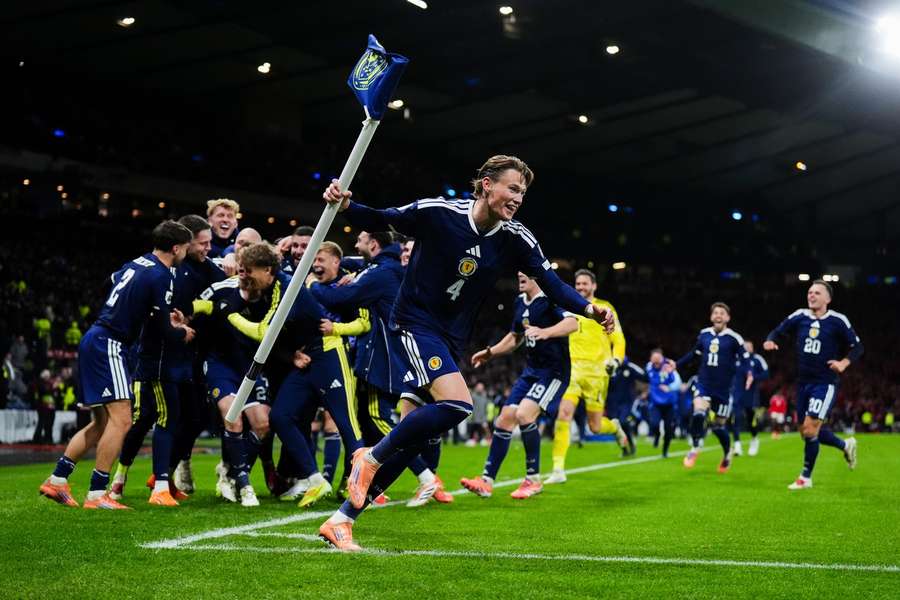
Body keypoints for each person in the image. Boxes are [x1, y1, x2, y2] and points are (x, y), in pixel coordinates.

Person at [317, 155, 614, 551]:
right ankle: (369, 458)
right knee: (459, 405)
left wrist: (590, 310)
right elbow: (386, 218)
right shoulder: (439, 212)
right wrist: (347, 205)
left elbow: (553, 284)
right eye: (512, 188)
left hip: (451, 339)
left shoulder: (516, 238)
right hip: (414, 323)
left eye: (523, 193)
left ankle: (341, 521)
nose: (518, 198)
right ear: (487, 184)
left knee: (412, 441)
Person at [39, 221, 194, 509]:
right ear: (176, 248)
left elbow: (113, 281)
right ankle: (98, 493)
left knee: (101, 422)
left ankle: (57, 480)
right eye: (186, 248)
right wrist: (181, 331)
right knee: (122, 420)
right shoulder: (162, 275)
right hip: (110, 343)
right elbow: (164, 330)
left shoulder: (136, 263)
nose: (186, 253)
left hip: (95, 338)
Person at [308, 232, 451, 508]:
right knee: (373, 419)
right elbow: (354, 262)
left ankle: (427, 476)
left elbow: (341, 299)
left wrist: (314, 283)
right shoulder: (382, 269)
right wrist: (349, 270)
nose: (356, 244)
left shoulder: (382, 273)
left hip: (387, 357)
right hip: (388, 354)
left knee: (381, 417)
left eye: (361, 240)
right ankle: (365, 483)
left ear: (373, 244)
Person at [110, 215, 225, 501]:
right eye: (202, 243)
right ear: (182, 245)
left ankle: (163, 477)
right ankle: (123, 478)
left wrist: (192, 312)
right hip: (158, 353)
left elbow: (226, 292)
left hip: (187, 356)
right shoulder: (161, 269)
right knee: (149, 417)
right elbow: (121, 281)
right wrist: (166, 321)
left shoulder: (206, 269)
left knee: (192, 418)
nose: (208, 248)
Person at [460, 272, 578, 499]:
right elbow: (515, 337)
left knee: (524, 414)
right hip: (531, 372)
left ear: (536, 275)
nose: (519, 274)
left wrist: (545, 332)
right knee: (504, 418)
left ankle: (533, 480)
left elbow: (573, 323)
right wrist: (490, 353)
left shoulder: (551, 297)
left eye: (525, 271)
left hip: (553, 372)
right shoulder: (520, 302)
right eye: (519, 272)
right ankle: (486, 482)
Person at [763, 280, 862, 490]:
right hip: (802, 384)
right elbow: (777, 331)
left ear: (828, 299)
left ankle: (805, 477)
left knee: (810, 430)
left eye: (817, 293)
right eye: (810, 292)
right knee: (806, 432)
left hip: (824, 383)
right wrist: (770, 340)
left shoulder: (837, 320)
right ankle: (845, 445)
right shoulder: (800, 316)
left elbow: (858, 346)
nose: (811, 295)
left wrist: (843, 363)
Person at [547, 269, 627, 484]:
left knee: (596, 427)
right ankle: (558, 469)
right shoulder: (569, 307)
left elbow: (618, 339)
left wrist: (616, 361)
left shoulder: (606, 308)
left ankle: (615, 427)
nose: (581, 287)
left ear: (594, 286)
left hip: (597, 374)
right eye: (578, 284)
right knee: (564, 414)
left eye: (585, 283)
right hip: (573, 370)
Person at [674, 302, 752, 473]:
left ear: (728, 318)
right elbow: (693, 354)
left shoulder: (734, 338)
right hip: (704, 384)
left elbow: (745, 359)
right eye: (715, 313)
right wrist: (676, 364)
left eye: (722, 313)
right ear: (711, 317)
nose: (718, 315)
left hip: (723, 389)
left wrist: (749, 374)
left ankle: (727, 453)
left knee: (718, 427)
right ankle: (695, 447)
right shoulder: (704, 335)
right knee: (698, 413)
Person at [729, 341, 769, 457]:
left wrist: (753, 377)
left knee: (750, 419)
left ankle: (754, 438)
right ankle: (737, 445)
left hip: (751, 395)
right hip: (736, 394)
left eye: (749, 346)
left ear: (752, 348)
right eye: (744, 346)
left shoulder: (757, 359)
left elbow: (766, 373)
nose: (746, 348)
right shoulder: (736, 359)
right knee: (735, 417)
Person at [606, 356, 647, 456]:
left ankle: (631, 442)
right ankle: (624, 449)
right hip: (612, 403)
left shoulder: (629, 368)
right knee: (615, 427)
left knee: (623, 422)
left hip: (626, 402)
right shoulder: (609, 367)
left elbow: (644, 377)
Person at [646, 349, 681, 458]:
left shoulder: (669, 366)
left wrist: (669, 387)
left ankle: (665, 451)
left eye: (658, 359)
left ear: (662, 358)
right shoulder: (648, 367)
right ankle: (657, 435)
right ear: (651, 359)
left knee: (668, 429)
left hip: (669, 403)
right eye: (654, 359)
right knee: (654, 424)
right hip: (655, 403)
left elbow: (678, 382)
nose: (656, 361)